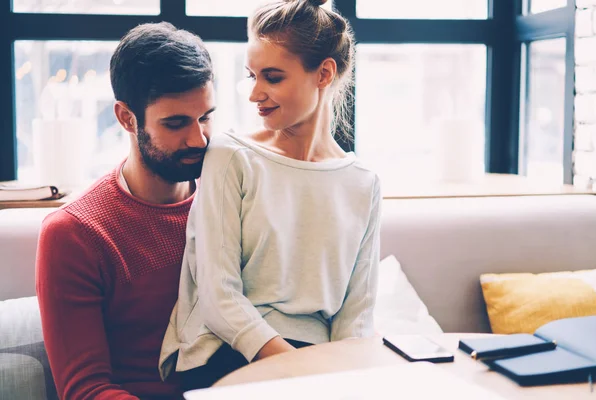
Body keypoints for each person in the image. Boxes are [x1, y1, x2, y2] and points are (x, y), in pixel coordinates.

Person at [159, 0, 382, 389]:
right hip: (224, 350)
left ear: (324, 74)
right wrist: (303, 371)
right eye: (252, 76)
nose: (254, 93)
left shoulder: (363, 183)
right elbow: (217, 294)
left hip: (316, 360)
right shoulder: (231, 156)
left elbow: (356, 316)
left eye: (273, 77)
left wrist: (343, 377)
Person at [36, 22, 215, 399]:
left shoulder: (231, 201)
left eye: (205, 117)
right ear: (126, 118)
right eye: (176, 123)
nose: (198, 139)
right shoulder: (74, 235)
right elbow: (86, 390)